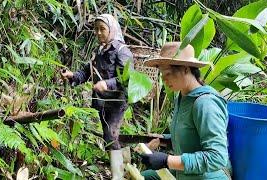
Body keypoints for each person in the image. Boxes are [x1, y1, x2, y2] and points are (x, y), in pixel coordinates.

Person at [140, 42, 231, 180]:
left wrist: (167, 160)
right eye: (162, 74)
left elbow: (217, 157)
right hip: (183, 174)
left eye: (168, 73)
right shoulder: (183, 96)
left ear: (186, 69)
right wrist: (163, 140)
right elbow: (191, 135)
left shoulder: (205, 104)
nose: (163, 79)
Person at [61, 14, 133, 179]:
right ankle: (123, 169)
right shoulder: (99, 50)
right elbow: (87, 71)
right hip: (101, 101)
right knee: (109, 135)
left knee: (110, 135)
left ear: (111, 30)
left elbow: (126, 78)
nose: (99, 33)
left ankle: (118, 175)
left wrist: (107, 84)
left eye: (103, 29)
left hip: (116, 102)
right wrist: (73, 75)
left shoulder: (122, 51)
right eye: (96, 29)